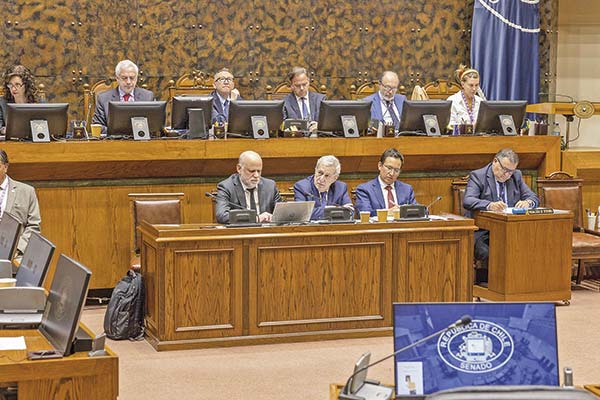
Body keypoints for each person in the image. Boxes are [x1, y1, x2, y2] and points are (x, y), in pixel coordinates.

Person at [463, 148, 539, 282]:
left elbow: (533, 197)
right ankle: (495, 284)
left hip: (511, 230)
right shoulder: (478, 176)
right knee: (492, 251)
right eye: (505, 170)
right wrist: (489, 205)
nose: (507, 175)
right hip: (484, 231)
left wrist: (528, 202)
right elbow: (468, 200)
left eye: (511, 171)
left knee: (532, 245)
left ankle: (523, 282)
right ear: (495, 161)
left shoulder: (516, 176)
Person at [216, 150, 281, 224]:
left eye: (259, 171)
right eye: (252, 171)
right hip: (240, 233)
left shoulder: (270, 186)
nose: (256, 175)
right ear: (239, 169)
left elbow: (282, 214)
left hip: (266, 233)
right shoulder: (227, 187)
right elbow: (222, 215)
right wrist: (256, 219)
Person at [92, 60, 154, 135]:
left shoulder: (148, 96)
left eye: (132, 78)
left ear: (136, 78)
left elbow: (154, 125)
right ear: (117, 78)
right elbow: (98, 126)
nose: (128, 82)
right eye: (124, 78)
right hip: (113, 142)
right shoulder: (103, 98)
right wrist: (121, 133)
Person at [0, 149, 41, 257]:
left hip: (14, 253)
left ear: (6, 167)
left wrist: (18, 249)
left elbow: (33, 226)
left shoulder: (26, 192)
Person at [355, 148, 416, 217]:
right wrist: (388, 213)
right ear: (380, 166)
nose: (392, 173)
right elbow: (364, 213)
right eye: (389, 168)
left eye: (396, 170)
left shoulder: (407, 189)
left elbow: (418, 211)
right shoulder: (365, 189)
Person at [293, 155, 353, 220]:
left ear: (335, 178)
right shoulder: (302, 187)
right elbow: (302, 214)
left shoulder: (341, 188)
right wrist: (334, 209)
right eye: (320, 173)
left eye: (327, 176)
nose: (321, 179)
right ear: (315, 170)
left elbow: (350, 211)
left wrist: (316, 211)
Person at [282, 67, 326, 132]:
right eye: (297, 85)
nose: (302, 88)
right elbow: (282, 126)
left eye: (304, 84)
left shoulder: (320, 100)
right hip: (296, 139)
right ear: (291, 85)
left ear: (309, 82)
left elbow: (328, 123)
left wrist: (319, 126)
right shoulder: (285, 103)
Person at [0, 65, 39, 134]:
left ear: (26, 85)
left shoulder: (39, 103)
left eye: (17, 84)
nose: (13, 89)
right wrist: (3, 130)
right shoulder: (2, 102)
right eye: (10, 85)